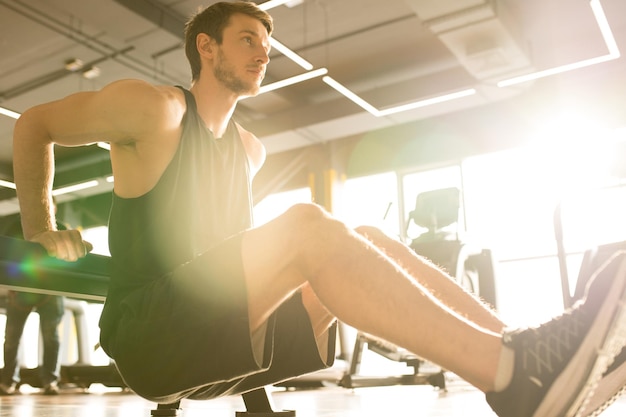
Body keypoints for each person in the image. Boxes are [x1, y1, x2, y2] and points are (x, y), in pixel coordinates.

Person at [10, 1, 626, 416]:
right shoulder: (155, 109)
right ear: (206, 47)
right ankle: (516, 375)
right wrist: (40, 226)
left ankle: (525, 355)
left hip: (212, 338)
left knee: (366, 236)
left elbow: (241, 277)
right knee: (308, 226)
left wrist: (260, 406)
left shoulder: (249, 150)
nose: (263, 51)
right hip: (147, 333)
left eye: (268, 42)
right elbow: (34, 124)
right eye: (248, 38)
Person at [0, 211, 65, 396]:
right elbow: (5, 256)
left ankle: (50, 381)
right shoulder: (13, 228)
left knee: (51, 337)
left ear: (54, 208)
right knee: (11, 337)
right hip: (20, 289)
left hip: (51, 291)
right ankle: (8, 382)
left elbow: (67, 263)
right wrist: (11, 284)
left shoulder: (62, 228)